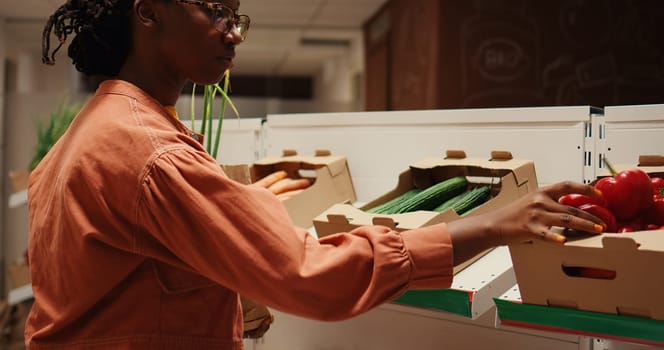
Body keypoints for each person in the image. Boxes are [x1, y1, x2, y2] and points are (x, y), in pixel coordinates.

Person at [26, 0, 607, 348]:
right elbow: (313, 275)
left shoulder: (90, 135)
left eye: (237, 16)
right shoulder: (152, 152)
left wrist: (224, 265)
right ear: (147, 9)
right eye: (214, 10)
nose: (233, 32)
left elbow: (123, 283)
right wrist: (491, 227)